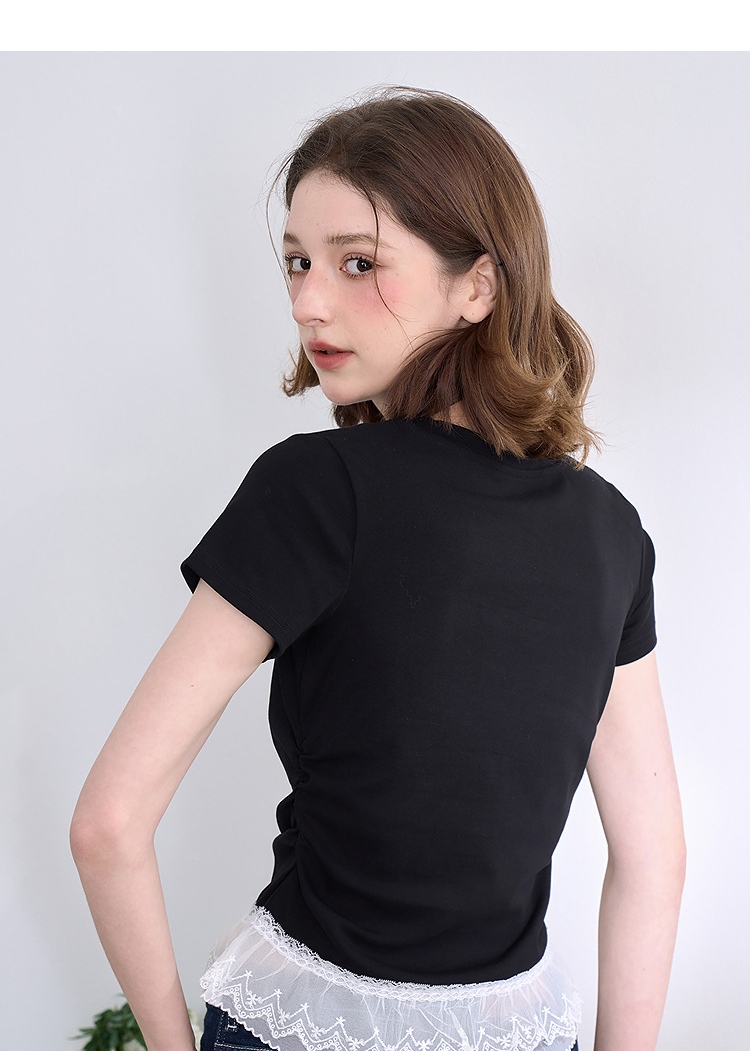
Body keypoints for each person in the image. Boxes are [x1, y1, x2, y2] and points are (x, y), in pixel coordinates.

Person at [70, 87, 686, 1051]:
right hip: (513, 1030)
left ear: (478, 286)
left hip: (300, 1023)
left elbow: (108, 823)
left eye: (358, 263)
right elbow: (654, 858)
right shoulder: (612, 532)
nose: (308, 301)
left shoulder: (316, 488)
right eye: (297, 262)